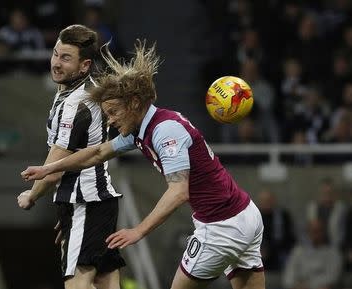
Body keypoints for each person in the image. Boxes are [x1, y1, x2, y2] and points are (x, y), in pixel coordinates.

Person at [21, 41, 265, 289]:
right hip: (246, 214)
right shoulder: (141, 129)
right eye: (107, 114)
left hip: (220, 226)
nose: (111, 120)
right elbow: (97, 153)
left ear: (135, 103)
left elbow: (179, 192)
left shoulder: (165, 131)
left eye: (114, 111)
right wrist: (49, 168)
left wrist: (138, 231)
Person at [16, 24, 125, 289]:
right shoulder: (75, 90)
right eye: (55, 54)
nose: (56, 63)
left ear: (85, 65)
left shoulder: (75, 103)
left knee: (77, 283)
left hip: (85, 202)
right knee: (104, 281)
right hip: (93, 202)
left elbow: (55, 165)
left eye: (66, 58)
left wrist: (31, 196)